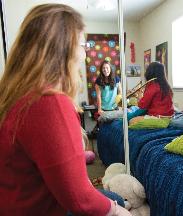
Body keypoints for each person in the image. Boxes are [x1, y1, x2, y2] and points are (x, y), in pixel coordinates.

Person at [0, 4, 131, 216]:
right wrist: (116, 211)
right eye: (81, 44)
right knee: (115, 201)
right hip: (36, 209)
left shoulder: (16, 94)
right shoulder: (48, 102)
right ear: (64, 48)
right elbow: (79, 198)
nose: (84, 51)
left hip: (13, 201)